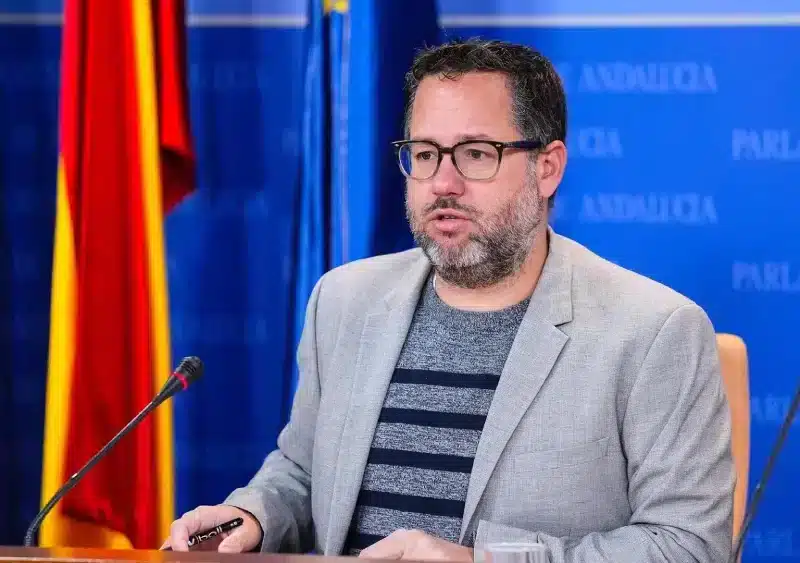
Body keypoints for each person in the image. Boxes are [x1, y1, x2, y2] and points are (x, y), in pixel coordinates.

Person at [164, 39, 735, 562]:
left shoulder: (654, 331)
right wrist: (254, 515)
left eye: (477, 154)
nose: (443, 183)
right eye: (426, 153)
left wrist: (482, 561)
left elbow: (687, 546)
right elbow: (304, 472)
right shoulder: (343, 301)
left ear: (548, 168)